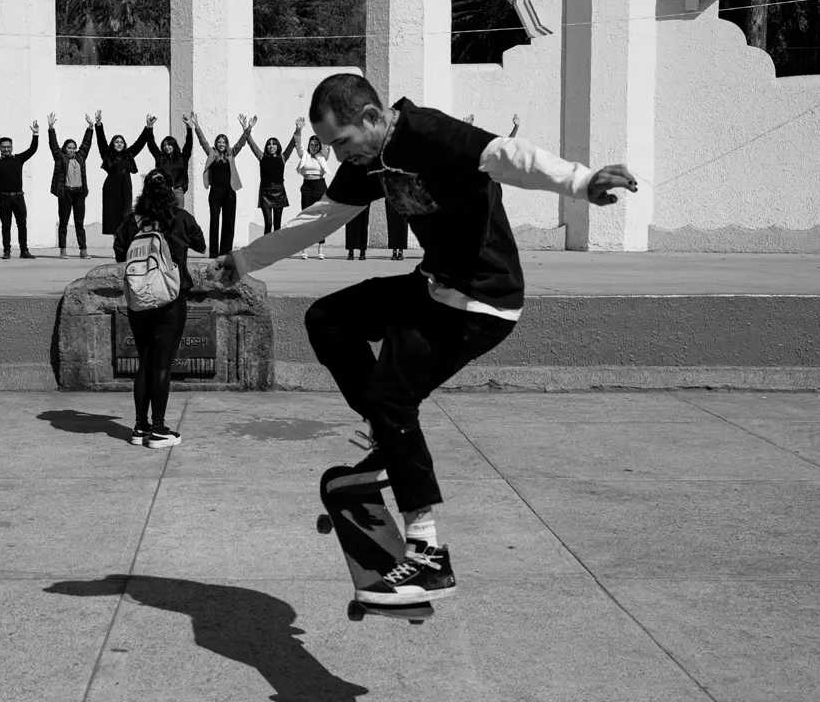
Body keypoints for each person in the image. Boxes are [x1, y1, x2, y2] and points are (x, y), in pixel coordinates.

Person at [213, 72, 637, 607]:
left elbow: (505, 155)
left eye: (342, 142)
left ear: (372, 118)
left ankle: (429, 557)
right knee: (327, 319)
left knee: (394, 396)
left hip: (480, 302)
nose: (342, 156)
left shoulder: (426, 132)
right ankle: (385, 444)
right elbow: (320, 220)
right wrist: (246, 258)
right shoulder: (370, 161)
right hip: (432, 286)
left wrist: (580, 181)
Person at [113, 170, 206, 449]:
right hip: (170, 298)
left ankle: (139, 427)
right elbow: (201, 245)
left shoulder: (132, 221)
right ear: (170, 191)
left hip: (139, 298)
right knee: (162, 365)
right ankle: (158, 429)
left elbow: (119, 252)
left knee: (145, 361)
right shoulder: (180, 218)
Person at [0, 121, 40, 260]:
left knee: (22, 225)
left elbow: (32, 150)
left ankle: (24, 251)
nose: (6, 149)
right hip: (4, 198)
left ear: (12, 147)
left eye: (8, 147)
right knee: (6, 225)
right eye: (4, 147)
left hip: (19, 197)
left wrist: (35, 134)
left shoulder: (19, 158)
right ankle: (7, 251)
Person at [191, 111, 252, 257]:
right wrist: (197, 126)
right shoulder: (211, 153)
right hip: (215, 193)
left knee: (228, 222)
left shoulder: (231, 153)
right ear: (216, 144)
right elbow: (202, 141)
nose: (221, 144)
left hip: (230, 192)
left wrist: (247, 128)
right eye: (219, 142)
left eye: (224, 142)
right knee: (214, 222)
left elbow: (241, 143)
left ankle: (225, 252)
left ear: (227, 144)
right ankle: (214, 252)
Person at [48, 112, 95, 259]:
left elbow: (86, 144)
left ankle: (83, 250)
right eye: (69, 148)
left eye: (74, 148)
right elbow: (53, 145)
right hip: (65, 193)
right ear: (65, 149)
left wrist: (90, 127)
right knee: (64, 222)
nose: (72, 150)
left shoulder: (80, 157)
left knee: (79, 223)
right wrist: (51, 128)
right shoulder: (60, 158)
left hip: (79, 193)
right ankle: (63, 249)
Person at [96, 111, 150, 236]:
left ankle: (125, 242)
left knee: (126, 215)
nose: (119, 143)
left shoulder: (128, 155)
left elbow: (140, 143)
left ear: (124, 144)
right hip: (111, 188)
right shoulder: (107, 155)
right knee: (114, 217)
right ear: (112, 144)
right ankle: (117, 244)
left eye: (121, 142)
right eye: (116, 142)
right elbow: (101, 141)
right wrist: (98, 124)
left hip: (125, 187)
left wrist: (147, 127)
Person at [246, 118, 300, 235]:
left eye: (274, 144)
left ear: (277, 146)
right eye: (269, 144)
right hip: (266, 193)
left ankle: (275, 249)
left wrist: (298, 129)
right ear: (267, 147)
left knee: (277, 225)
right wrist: (248, 128)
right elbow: (251, 143)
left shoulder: (283, 157)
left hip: (279, 193)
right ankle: (265, 249)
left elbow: (292, 143)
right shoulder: (262, 157)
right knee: (268, 224)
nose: (271, 146)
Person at [293, 118, 333, 260]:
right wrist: (298, 130)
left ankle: (320, 247)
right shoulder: (304, 154)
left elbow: (327, 143)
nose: (314, 146)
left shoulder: (323, 156)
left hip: (320, 187)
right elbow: (297, 142)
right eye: (312, 144)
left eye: (316, 145)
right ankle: (304, 248)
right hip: (307, 188)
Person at [144, 114, 194, 205]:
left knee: (178, 215)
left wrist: (188, 127)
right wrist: (150, 127)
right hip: (163, 191)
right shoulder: (160, 158)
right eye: (164, 145)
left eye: (169, 144)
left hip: (178, 191)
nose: (166, 147)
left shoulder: (183, 158)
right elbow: (151, 145)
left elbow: (189, 144)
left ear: (174, 145)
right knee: (163, 215)